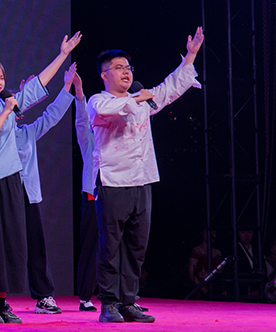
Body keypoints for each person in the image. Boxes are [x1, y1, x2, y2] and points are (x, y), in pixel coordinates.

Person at [0, 31, 80, 324]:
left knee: (10, 242)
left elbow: (39, 84)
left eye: (2, 77)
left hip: (11, 180)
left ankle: (2, 304)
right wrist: (6, 111)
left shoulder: (9, 103)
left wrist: (63, 54)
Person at [87, 27, 203, 323]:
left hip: (142, 180)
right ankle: (109, 303)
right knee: (110, 245)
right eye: (119, 68)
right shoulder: (99, 101)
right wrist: (139, 98)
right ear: (104, 74)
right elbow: (112, 109)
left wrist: (190, 56)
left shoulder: (140, 100)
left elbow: (168, 89)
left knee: (136, 246)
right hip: (113, 181)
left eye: (128, 67)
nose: (126, 72)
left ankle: (129, 301)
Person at [14, 65, 80, 315]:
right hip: (2, 194)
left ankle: (44, 296)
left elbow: (51, 116)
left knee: (36, 246)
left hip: (27, 195)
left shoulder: (27, 133)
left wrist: (66, 87)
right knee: (0, 245)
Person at [71, 70, 99, 312]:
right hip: (93, 196)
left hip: (118, 194)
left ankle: (124, 296)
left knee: (121, 247)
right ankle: (86, 296)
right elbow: (81, 121)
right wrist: (79, 92)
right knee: (92, 247)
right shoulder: (90, 138)